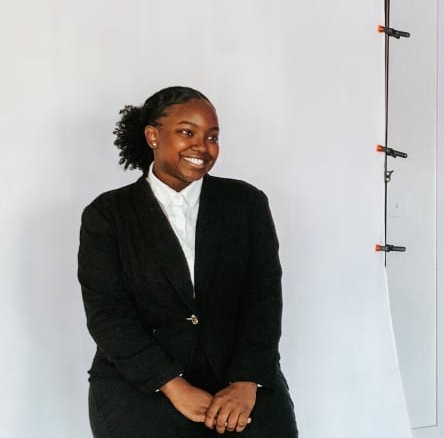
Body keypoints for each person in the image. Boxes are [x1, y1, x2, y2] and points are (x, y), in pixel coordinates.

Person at [78, 86, 298, 437]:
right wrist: (172, 385)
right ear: (153, 135)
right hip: (142, 379)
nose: (203, 146)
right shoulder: (108, 215)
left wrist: (246, 382)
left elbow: (264, 298)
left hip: (238, 374)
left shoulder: (245, 204)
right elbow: (107, 314)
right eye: (186, 132)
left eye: (212, 136)